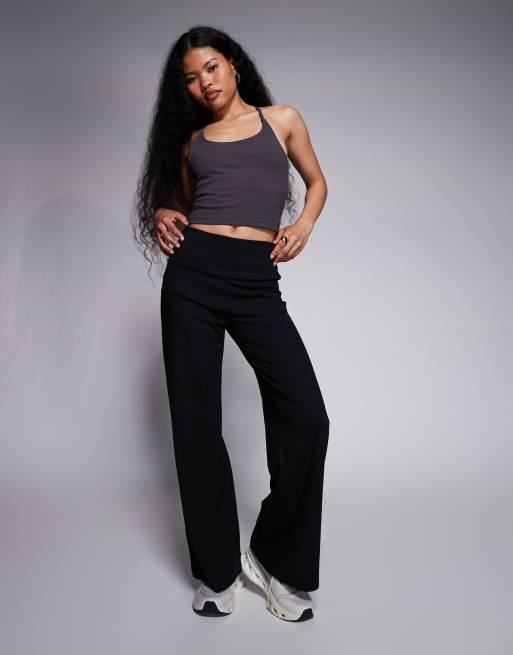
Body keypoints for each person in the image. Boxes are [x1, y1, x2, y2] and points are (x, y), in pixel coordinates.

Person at [132, 26, 330, 622]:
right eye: (191, 78)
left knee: (307, 417)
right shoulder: (192, 142)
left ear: (234, 65)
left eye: (212, 67)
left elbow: (317, 183)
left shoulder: (282, 120)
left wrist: (302, 226)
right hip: (193, 278)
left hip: (254, 281)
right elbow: (185, 208)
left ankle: (273, 558)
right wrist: (163, 211)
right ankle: (217, 570)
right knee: (196, 424)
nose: (205, 83)